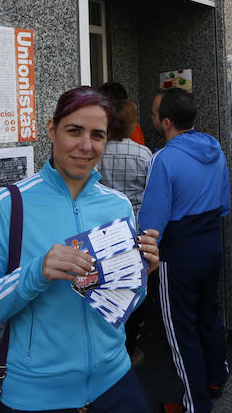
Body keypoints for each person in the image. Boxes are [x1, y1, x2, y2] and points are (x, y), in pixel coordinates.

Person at [0, 86, 161, 413]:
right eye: (74, 131)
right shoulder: (10, 204)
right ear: (51, 130)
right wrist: (36, 272)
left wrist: (139, 273)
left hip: (116, 384)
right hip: (36, 397)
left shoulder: (117, 205)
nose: (85, 146)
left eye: (98, 135)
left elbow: (123, 305)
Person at [138, 88, 230, 413]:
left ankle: (195, 404)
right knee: (209, 314)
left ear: (166, 122)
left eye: (152, 114)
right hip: (211, 247)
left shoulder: (163, 158)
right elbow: (224, 205)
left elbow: (151, 224)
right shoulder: (216, 149)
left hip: (177, 256)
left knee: (180, 331)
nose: (150, 119)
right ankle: (217, 378)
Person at [98, 97, 154, 366]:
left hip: (103, 233)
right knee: (134, 289)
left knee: (105, 289)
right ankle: (130, 349)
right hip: (135, 232)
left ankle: (108, 348)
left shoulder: (96, 152)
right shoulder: (144, 154)